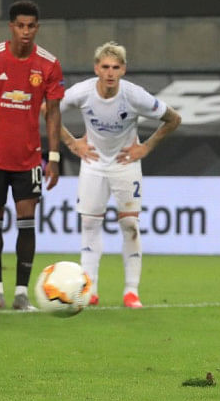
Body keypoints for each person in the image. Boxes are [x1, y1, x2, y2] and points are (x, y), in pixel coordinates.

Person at [58, 41, 181, 308]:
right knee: (89, 225)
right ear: (96, 68)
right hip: (93, 163)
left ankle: (131, 291)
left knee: (130, 225)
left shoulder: (134, 95)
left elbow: (174, 118)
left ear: (123, 69)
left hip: (125, 164)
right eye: (105, 67)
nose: (110, 73)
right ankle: (89, 289)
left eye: (115, 67)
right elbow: (47, 111)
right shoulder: (82, 92)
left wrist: (146, 147)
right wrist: (72, 143)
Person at [0, 0, 64, 311]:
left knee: (27, 221)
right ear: (11, 26)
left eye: (31, 26)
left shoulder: (48, 64)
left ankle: (22, 294)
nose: (26, 32)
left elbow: (53, 112)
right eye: (20, 26)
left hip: (29, 159)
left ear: (37, 28)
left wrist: (54, 157)